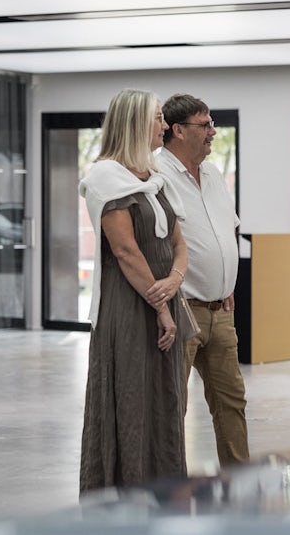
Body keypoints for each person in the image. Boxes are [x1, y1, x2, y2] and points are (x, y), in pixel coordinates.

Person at [77, 88, 191, 492]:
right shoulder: (105, 176)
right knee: (130, 398)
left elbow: (178, 242)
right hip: (129, 307)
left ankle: (163, 492)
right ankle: (123, 496)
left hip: (164, 300)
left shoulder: (154, 179)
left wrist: (176, 280)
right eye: (158, 118)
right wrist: (162, 307)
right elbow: (125, 251)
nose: (164, 126)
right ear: (134, 122)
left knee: (165, 402)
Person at [158, 93, 249, 466]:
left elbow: (226, 231)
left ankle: (241, 482)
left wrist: (226, 285)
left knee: (232, 402)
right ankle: (170, 487)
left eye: (213, 124)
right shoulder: (157, 176)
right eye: (204, 125)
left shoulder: (212, 174)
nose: (213, 132)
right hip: (182, 312)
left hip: (220, 310)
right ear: (178, 130)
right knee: (172, 406)